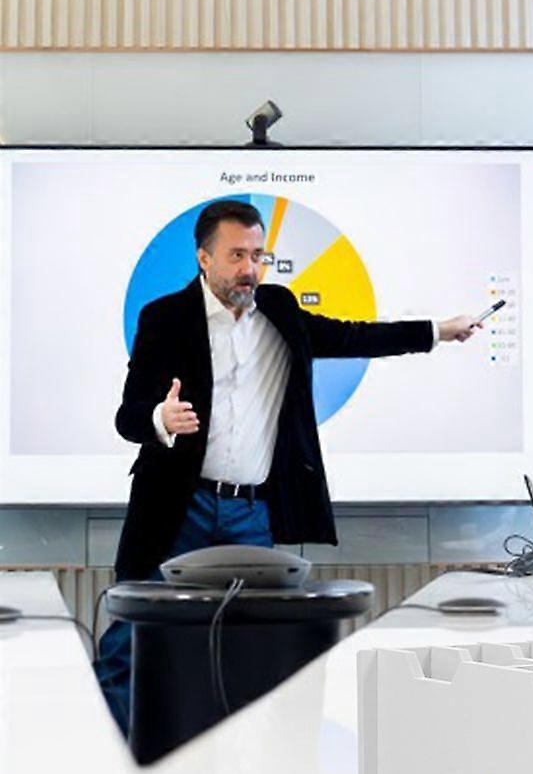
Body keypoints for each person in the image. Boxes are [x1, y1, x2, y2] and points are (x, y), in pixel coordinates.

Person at [97, 198, 483, 725]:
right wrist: (160, 419)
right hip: (177, 508)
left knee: (256, 647)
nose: (250, 268)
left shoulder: (278, 310)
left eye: (258, 255)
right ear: (204, 258)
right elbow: (128, 416)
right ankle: (111, 751)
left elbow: (353, 336)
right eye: (236, 255)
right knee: (129, 642)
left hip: (250, 514)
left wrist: (437, 330)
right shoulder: (164, 318)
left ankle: (241, 756)